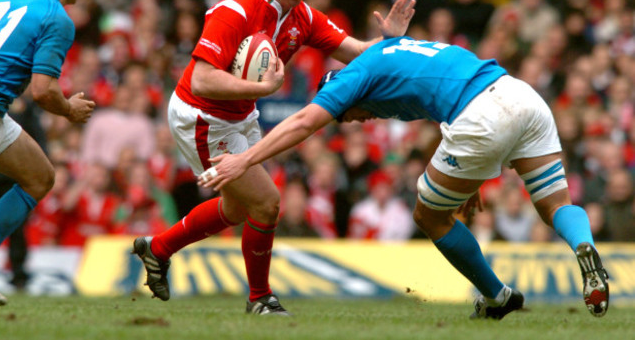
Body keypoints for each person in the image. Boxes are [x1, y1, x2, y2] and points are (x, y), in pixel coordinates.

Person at [202, 36, 609, 320]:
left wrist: (246, 159)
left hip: (481, 114)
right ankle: (585, 248)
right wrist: (467, 180)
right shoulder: (383, 56)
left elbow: (305, 122)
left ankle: (497, 296)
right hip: (521, 95)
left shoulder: (349, 81)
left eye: (349, 115)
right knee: (556, 204)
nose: (358, 120)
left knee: (429, 216)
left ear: (343, 96)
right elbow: (423, 81)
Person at [131, 0, 415, 315]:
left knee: (236, 208)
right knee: (267, 203)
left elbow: (355, 53)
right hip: (203, 116)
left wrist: (387, 41)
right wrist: (262, 88)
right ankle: (260, 298)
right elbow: (201, 79)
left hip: (240, 112)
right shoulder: (235, 11)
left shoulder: (304, 16)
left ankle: (158, 249)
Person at [0, 0, 95, 306]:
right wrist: (70, 111)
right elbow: (43, 92)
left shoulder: (1, 1)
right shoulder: (57, 19)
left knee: (39, 176)